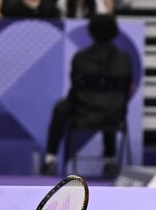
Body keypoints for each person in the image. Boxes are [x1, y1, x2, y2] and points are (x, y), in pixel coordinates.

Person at [40, 15, 133, 179]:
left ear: (91, 31)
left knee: (60, 107)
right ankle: (110, 160)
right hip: (114, 115)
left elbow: (75, 88)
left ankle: (50, 159)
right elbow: (125, 91)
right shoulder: (124, 59)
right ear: (115, 32)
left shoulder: (81, 57)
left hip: (83, 113)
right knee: (110, 104)